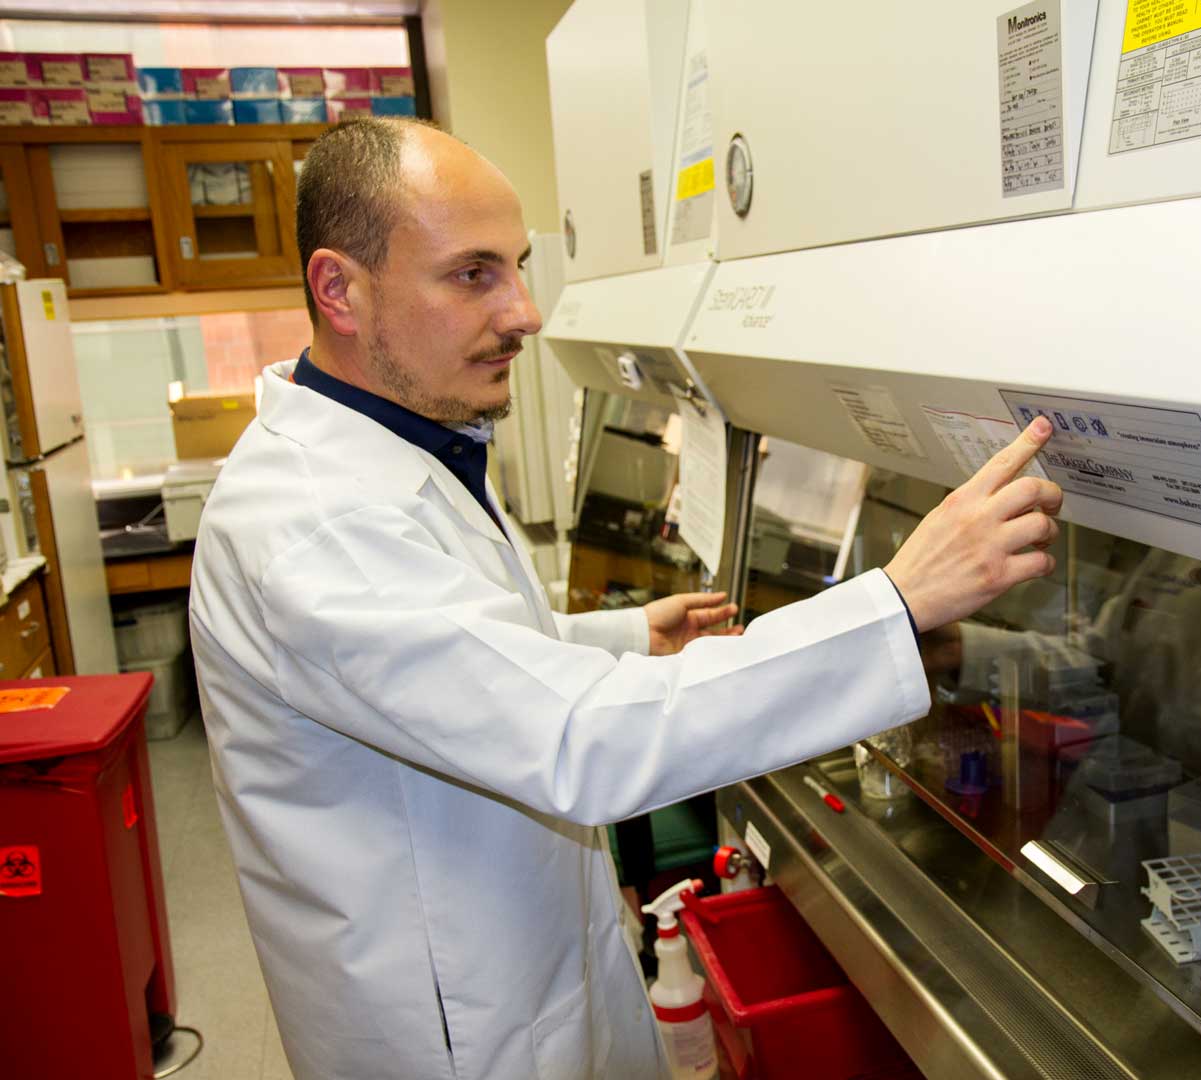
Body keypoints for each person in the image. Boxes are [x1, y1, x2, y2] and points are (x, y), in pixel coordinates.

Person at [189, 117, 1064, 1080]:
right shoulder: (317, 522)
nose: (523, 311)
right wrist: (895, 601)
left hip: (515, 977)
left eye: (517, 267)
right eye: (472, 273)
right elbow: (577, 739)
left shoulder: (396, 447)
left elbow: (439, 653)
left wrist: (617, 636)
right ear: (338, 289)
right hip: (454, 1038)